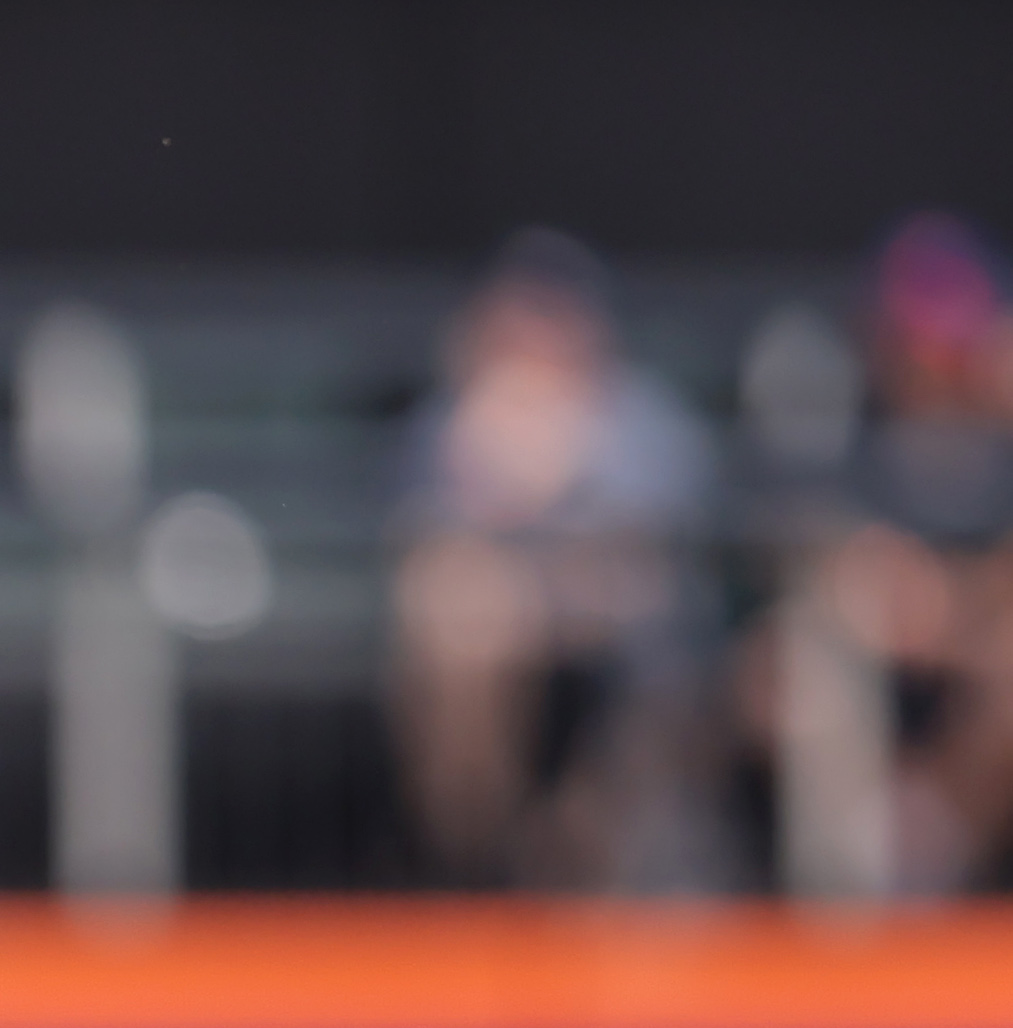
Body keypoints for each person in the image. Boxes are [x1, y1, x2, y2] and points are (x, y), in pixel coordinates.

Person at [388, 231, 726, 892]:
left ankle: (576, 860)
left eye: (550, 314)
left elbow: (649, 556)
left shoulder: (642, 418)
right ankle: (479, 865)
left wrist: (555, 479)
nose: (534, 335)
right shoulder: (452, 419)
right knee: (453, 616)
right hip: (501, 664)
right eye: (518, 315)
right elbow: (425, 543)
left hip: (636, 661)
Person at [745, 213, 1013, 896]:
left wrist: (954, 608)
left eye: (951, 342)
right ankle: (846, 906)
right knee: (798, 667)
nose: (932, 361)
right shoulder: (840, 424)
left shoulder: (999, 433)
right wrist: (879, 587)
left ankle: (934, 851)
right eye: (917, 341)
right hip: (866, 665)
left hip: (974, 666)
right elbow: (810, 554)